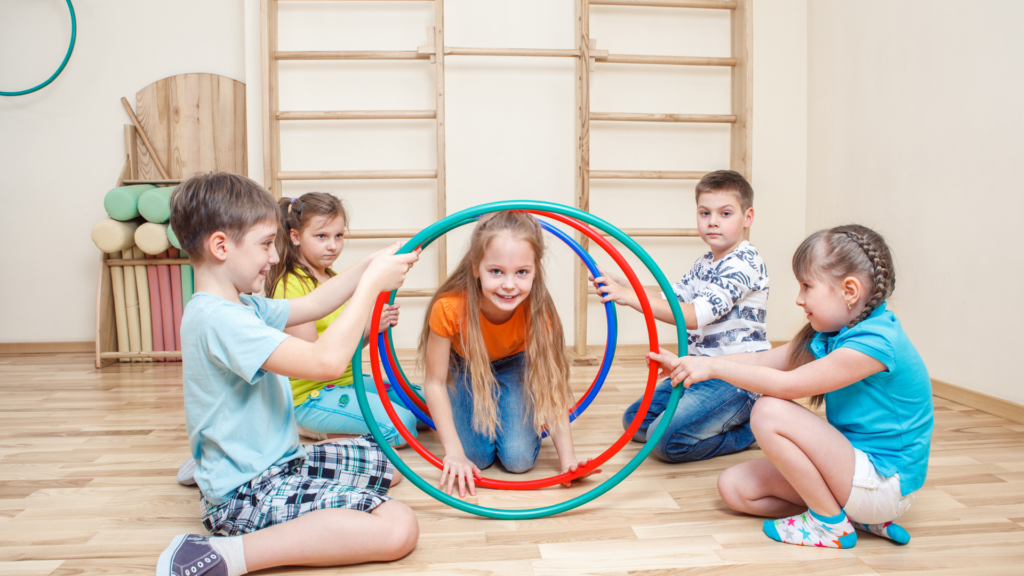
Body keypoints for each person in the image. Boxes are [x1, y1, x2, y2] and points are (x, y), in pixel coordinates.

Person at [157, 173, 420, 576]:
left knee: (387, 468)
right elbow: (326, 362)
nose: (275, 257)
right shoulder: (221, 320)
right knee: (398, 527)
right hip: (248, 493)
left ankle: (213, 459)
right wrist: (371, 287)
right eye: (266, 244)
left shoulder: (243, 306)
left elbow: (315, 302)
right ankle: (225, 555)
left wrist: (375, 262)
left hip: (280, 462)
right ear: (221, 246)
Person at [648, 224, 932, 549]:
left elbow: (787, 385)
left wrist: (713, 365)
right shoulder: (833, 334)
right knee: (734, 488)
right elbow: (762, 361)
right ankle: (848, 516)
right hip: (854, 472)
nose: (799, 299)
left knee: (769, 409)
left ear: (849, 291)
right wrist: (695, 366)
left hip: (883, 483)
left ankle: (829, 524)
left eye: (807, 286)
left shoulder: (876, 342)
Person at [593, 170, 769, 463]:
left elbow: (694, 316)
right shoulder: (706, 263)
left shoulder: (744, 263)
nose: (713, 221)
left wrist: (630, 298)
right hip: (697, 371)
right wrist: (625, 284)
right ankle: (705, 416)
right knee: (634, 422)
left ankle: (749, 430)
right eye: (705, 212)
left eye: (725, 213)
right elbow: (673, 296)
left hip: (736, 379)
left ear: (747, 217)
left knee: (662, 442)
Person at [420, 211, 600, 498]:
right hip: (465, 366)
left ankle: (501, 398)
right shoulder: (449, 308)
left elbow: (551, 388)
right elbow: (434, 382)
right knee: (475, 458)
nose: (509, 284)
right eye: (496, 271)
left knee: (518, 461)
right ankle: (460, 402)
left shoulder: (540, 314)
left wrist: (568, 461)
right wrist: (453, 453)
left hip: (515, 365)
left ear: (535, 269)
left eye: (521, 272)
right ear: (475, 266)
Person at [266, 192, 419, 446]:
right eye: (321, 236)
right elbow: (314, 360)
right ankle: (308, 429)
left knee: (423, 405)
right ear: (295, 237)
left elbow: (349, 347)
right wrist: (366, 326)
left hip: (347, 381)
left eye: (338, 235)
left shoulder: (332, 277)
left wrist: (373, 329)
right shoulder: (289, 286)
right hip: (311, 398)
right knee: (403, 426)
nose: (332, 245)